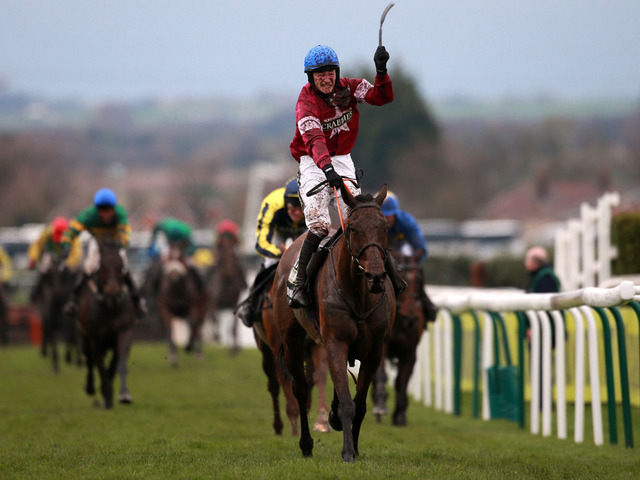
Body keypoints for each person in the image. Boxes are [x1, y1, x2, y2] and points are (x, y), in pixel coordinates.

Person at [287, 43, 405, 308]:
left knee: (359, 220)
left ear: (336, 72)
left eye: (330, 73)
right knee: (318, 225)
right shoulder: (305, 102)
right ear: (310, 78)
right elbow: (314, 139)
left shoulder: (350, 87)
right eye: (320, 75)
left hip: (342, 159)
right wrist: (327, 171)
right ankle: (297, 281)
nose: (326, 79)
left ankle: (390, 275)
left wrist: (381, 70)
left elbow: (382, 97)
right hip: (312, 160)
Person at [62, 188, 145, 317]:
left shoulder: (120, 213)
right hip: (98, 243)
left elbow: (125, 231)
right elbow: (73, 229)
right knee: (89, 267)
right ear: (97, 209)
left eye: (108, 210)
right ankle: (74, 301)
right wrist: (66, 244)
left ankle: (137, 301)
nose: (105, 214)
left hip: (115, 244)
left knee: (123, 267)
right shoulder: (89, 215)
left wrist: (122, 243)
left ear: (113, 208)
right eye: (102, 210)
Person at [237, 178, 307, 326]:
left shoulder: (313, 205)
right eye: (293, 206)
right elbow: (261, 244)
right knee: (270, 262)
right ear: (285, 203)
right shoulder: (272, 203)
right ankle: (251, 303)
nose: (297, 211)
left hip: (304, 232)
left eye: (300, 206)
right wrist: (282, 254)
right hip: (278, 234)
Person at [381, 193, 436, 322]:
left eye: (389, 215)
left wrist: (414, 264)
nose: (387, 218)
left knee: (415, 275)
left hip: (402, 256)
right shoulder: (371, 221)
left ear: (396, 213)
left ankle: (426, 303)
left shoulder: (407, 222)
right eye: (384, 214)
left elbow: (420, 247)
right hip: (381, 255)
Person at [28, 217, 82, 302]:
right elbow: (37, 245)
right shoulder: (47, 232)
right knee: (44, 269)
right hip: (51, 255)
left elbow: (76, 252)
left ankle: (75, 296)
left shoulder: (72, 234)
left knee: (74, 271)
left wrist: (69, 264)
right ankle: (35, 293)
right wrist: (33, 258)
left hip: (66, 257)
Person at [147, 217, 205, 293]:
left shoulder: (186, 231)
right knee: (155, 268)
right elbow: (156, 230)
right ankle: (150, 293)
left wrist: (186, 254)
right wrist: (152, 244)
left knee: (193, 267)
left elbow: (193, 248)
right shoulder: (166, 226)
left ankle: (202, 291)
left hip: (183, 249)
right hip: (168, 247)